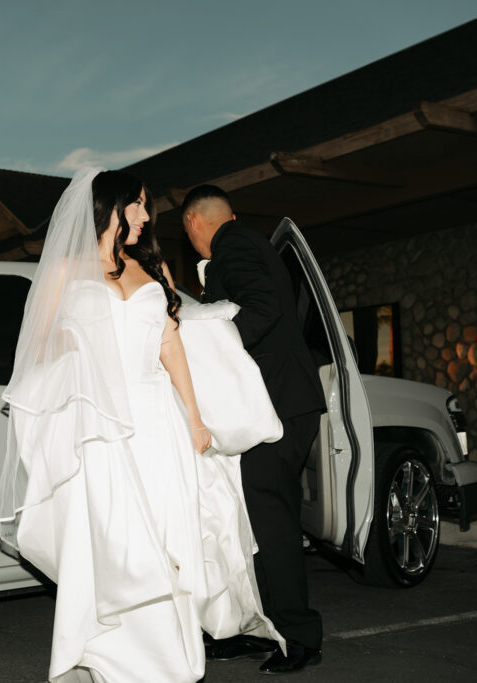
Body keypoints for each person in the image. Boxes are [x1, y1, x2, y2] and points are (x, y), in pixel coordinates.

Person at [0, 169, 282, 682]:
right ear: (112, 206)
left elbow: (171, 344)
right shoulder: (64, 271)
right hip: (101, 426)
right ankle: (107, 653)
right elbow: (44, 348)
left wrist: (194, 417)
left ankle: (170, 656)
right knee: (115, 543)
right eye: (139, 205)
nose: (146, 216)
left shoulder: (151, 267)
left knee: (169, 536)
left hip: (158, 421)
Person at [181, 185, 326, 674]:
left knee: (272, 519)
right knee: (254, 519)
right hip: (277, 402)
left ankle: (299, 637)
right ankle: (256, 627)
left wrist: (211, 355)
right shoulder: (247, 242)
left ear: (193, 224)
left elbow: (260, 309)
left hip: (280, 405)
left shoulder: (235, 246)